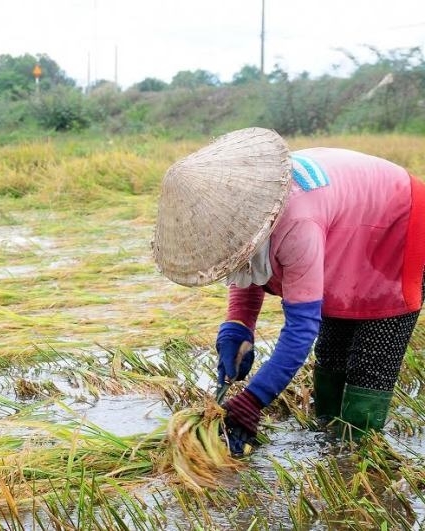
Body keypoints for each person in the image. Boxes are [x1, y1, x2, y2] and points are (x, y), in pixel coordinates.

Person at [152, 127, 425, 453]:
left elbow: (300, 328)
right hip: (346, 224)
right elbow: (247, 260)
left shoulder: (296, 223)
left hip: (399, 219)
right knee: (332, 352)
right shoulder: (247, 211)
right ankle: (329, 439)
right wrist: (238, 325)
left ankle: (359, 455)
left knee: (370, 359)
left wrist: (254, 399)